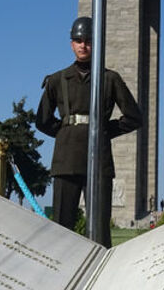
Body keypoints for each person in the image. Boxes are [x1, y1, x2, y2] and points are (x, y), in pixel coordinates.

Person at [36, 16, 142, 248]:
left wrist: (103, 131)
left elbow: (134, 117)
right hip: (66, 160)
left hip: (98, 158)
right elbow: (42, 120)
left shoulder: (109, 79)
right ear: (71, 43)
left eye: (88, 40)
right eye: (78, 40)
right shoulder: (57, 80)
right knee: (62, 227)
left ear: (96, 43)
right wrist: (66, 132)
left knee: (100, 231)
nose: (83, 45)